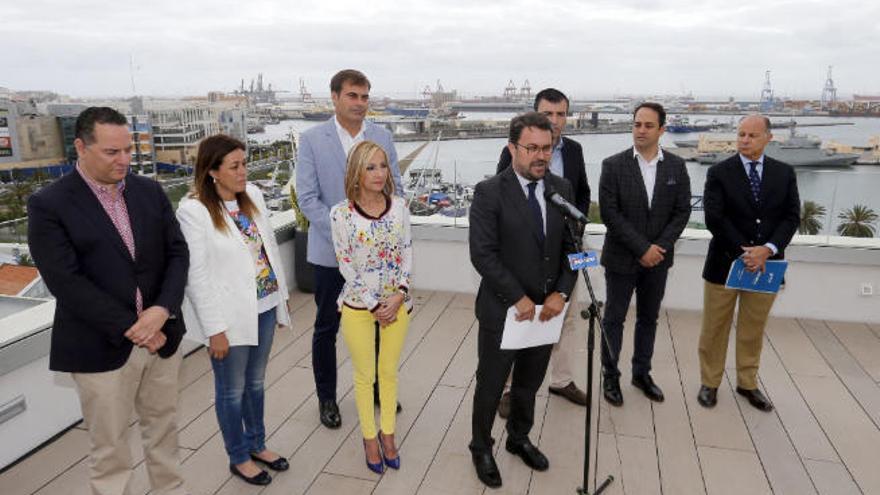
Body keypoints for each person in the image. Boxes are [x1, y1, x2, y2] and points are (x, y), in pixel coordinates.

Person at [27, 107, 189, 495]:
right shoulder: (49, 204)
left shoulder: (149, 191)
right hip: (100, 348)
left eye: (128, 150)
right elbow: (65, 282)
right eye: (112, 152)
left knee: (164, 433)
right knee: (111, 451)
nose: (124, 161)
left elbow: (177, 253)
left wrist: (161, 310)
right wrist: (136, 327)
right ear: (80, 147)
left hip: (162, 339)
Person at [468, 112, 577, 488]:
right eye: (531, 148)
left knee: (529, 383)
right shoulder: (489, 192)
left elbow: (572, 251)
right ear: (512, 148)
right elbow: (483, 254)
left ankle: (518, 438)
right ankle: (481, 446)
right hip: (504, 311)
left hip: (547, 313)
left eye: (546, 148)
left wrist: (561, 293)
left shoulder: (561, 187)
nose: (540, 156)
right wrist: (518, 297)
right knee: (491, 384)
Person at [176, 135, 291, 486]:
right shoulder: (193, 211)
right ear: (212, 171)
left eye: (244, 162)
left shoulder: (252, 196)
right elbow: (196, 276)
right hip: (229, 316)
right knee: (231, 389)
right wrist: (215, 329)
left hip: (265, 305)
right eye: (235, 166)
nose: (244, 171)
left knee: (255, 384)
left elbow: (266, 248)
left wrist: (281, 297)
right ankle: (238, 456)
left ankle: (257, 444)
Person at [296, 69, 404, 429]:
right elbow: (308, 199)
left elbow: (396, 188)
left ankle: (375, 387)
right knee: (327, 327)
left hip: (379, 261)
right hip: (330, 255)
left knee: (378, 323)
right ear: (335, 97)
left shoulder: (382, 136)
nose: (359, 103)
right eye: (352, 96)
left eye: (364, 96)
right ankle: (327, 398)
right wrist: (348, 233)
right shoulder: (312, 139)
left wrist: (378, 231)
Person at [495, 88, 591, 415]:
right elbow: (501, 196)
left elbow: (583, 193)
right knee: (521, 317)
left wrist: (573, 235)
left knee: (566, 311)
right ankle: (508, 388)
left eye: (561, 114)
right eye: (548, 114)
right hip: (526, 248)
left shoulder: (574, 151)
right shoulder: (513, 150)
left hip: (567, 245)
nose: (554, 120)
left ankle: (561, 380)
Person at [698, 114, 800, 412]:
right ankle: (710, 382)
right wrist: (746, 251)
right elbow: (714, 218)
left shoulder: (784, 173)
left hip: (767, 266)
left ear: (768, 137)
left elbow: (791, 217)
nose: (744, 140)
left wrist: (766, 249)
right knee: (714, 328)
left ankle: (748, 383)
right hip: (725, 264)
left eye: (752, 135)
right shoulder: (719, 172)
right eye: (741, 134)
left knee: (752, 328)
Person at [598, 102, 692, 406]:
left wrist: (657, 249)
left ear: (661, 130)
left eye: (648, 125)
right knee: (613, 319)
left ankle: (641, 373)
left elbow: (681, 213)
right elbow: (610, 214)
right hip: (622, 258)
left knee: (648, 319)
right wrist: (642, 248)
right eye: (637, 124)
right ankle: (610, 376)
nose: (641, 130)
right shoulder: (613, 165)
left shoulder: (676, 167)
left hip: (659, 261)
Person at [330, 140, 412, 474]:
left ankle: (388, 434)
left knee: (388, 373)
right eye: (371, 167)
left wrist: (400, 294)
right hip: (358, 307)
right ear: (356, 172)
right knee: (364, 376)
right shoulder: (341, 214)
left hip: (397, 304)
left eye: (383, 166)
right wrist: (375, 304)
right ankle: (368, 438)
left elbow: (407, 251)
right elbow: (346, 264)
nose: (380, 173)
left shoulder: (401, 208)